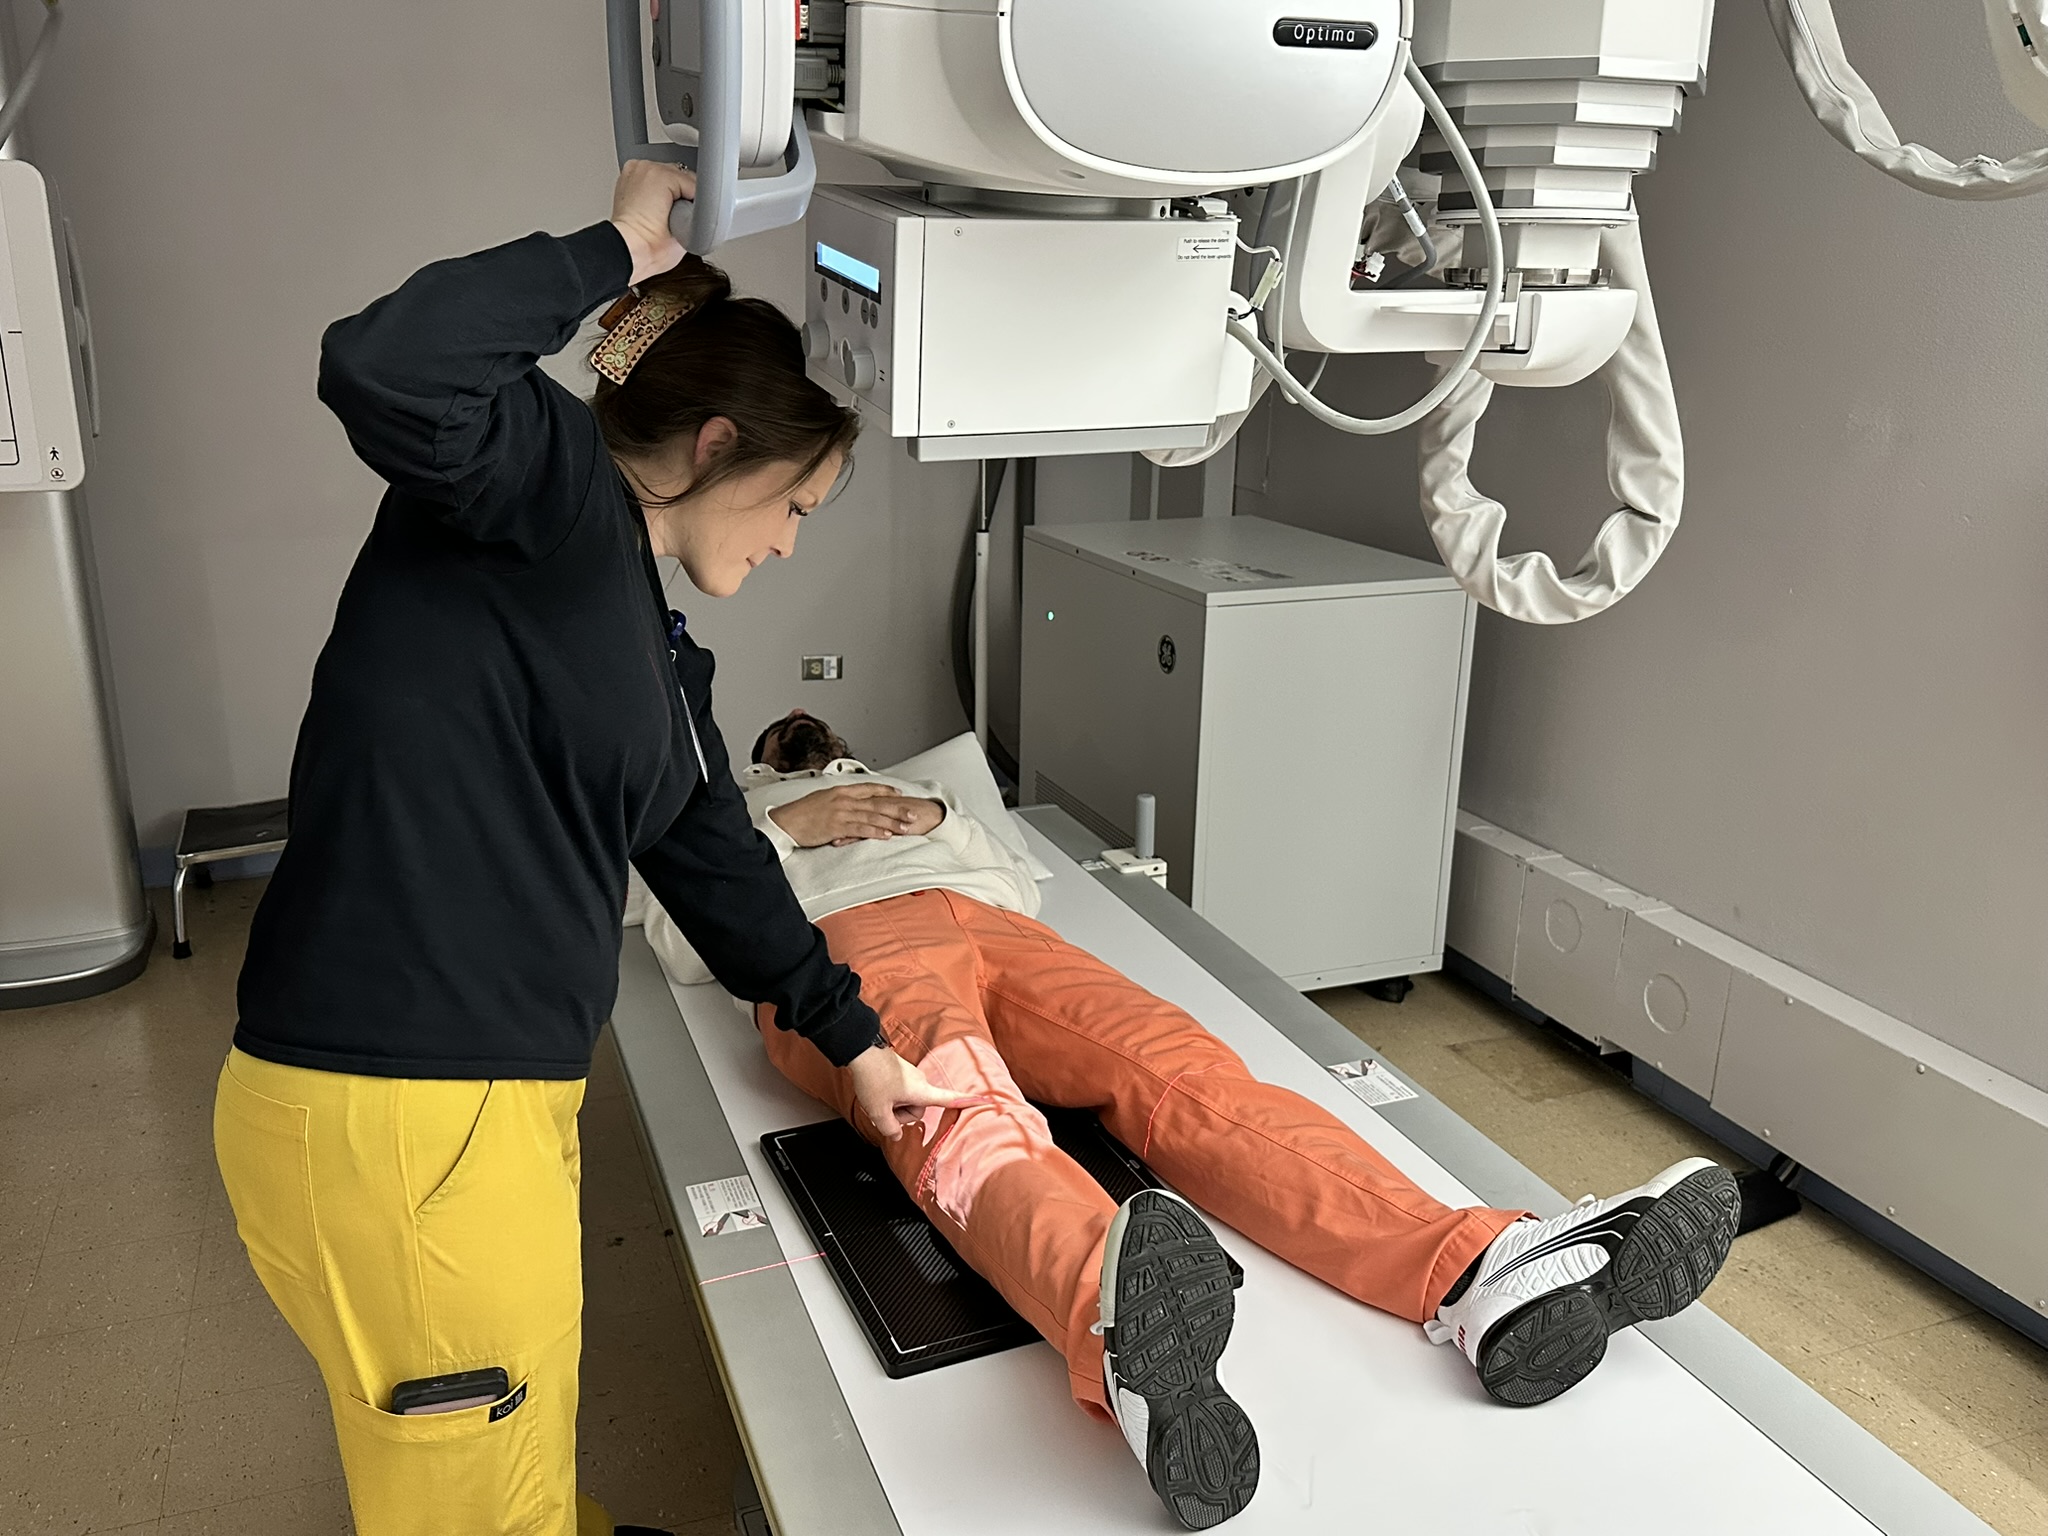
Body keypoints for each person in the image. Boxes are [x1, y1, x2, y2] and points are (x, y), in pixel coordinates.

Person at [211, 167, 976, 1536]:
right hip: (404, 1102)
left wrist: (854, 1043)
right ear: (719, 444)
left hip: (485, 1105)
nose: (789, 546)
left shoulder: (648, 640)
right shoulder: (546, 489)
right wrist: (612, 248)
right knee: (469, 1507)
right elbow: (386, 365)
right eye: (797, 507)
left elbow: (708, 847)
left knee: (515, 1436)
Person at [650, 712, 1745, 1532]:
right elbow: (671, 922)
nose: (817, 747)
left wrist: (937, 819)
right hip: (841, 951)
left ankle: (1474, 1267)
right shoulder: (731, 809)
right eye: (793, 746)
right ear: (767, 761)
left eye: (829, 745)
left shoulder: (919, 789)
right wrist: (788, 822)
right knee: (963, 1115)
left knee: (1186, 1077)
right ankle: (1117, 1324)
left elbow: (1018, 874)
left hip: (996, 929)